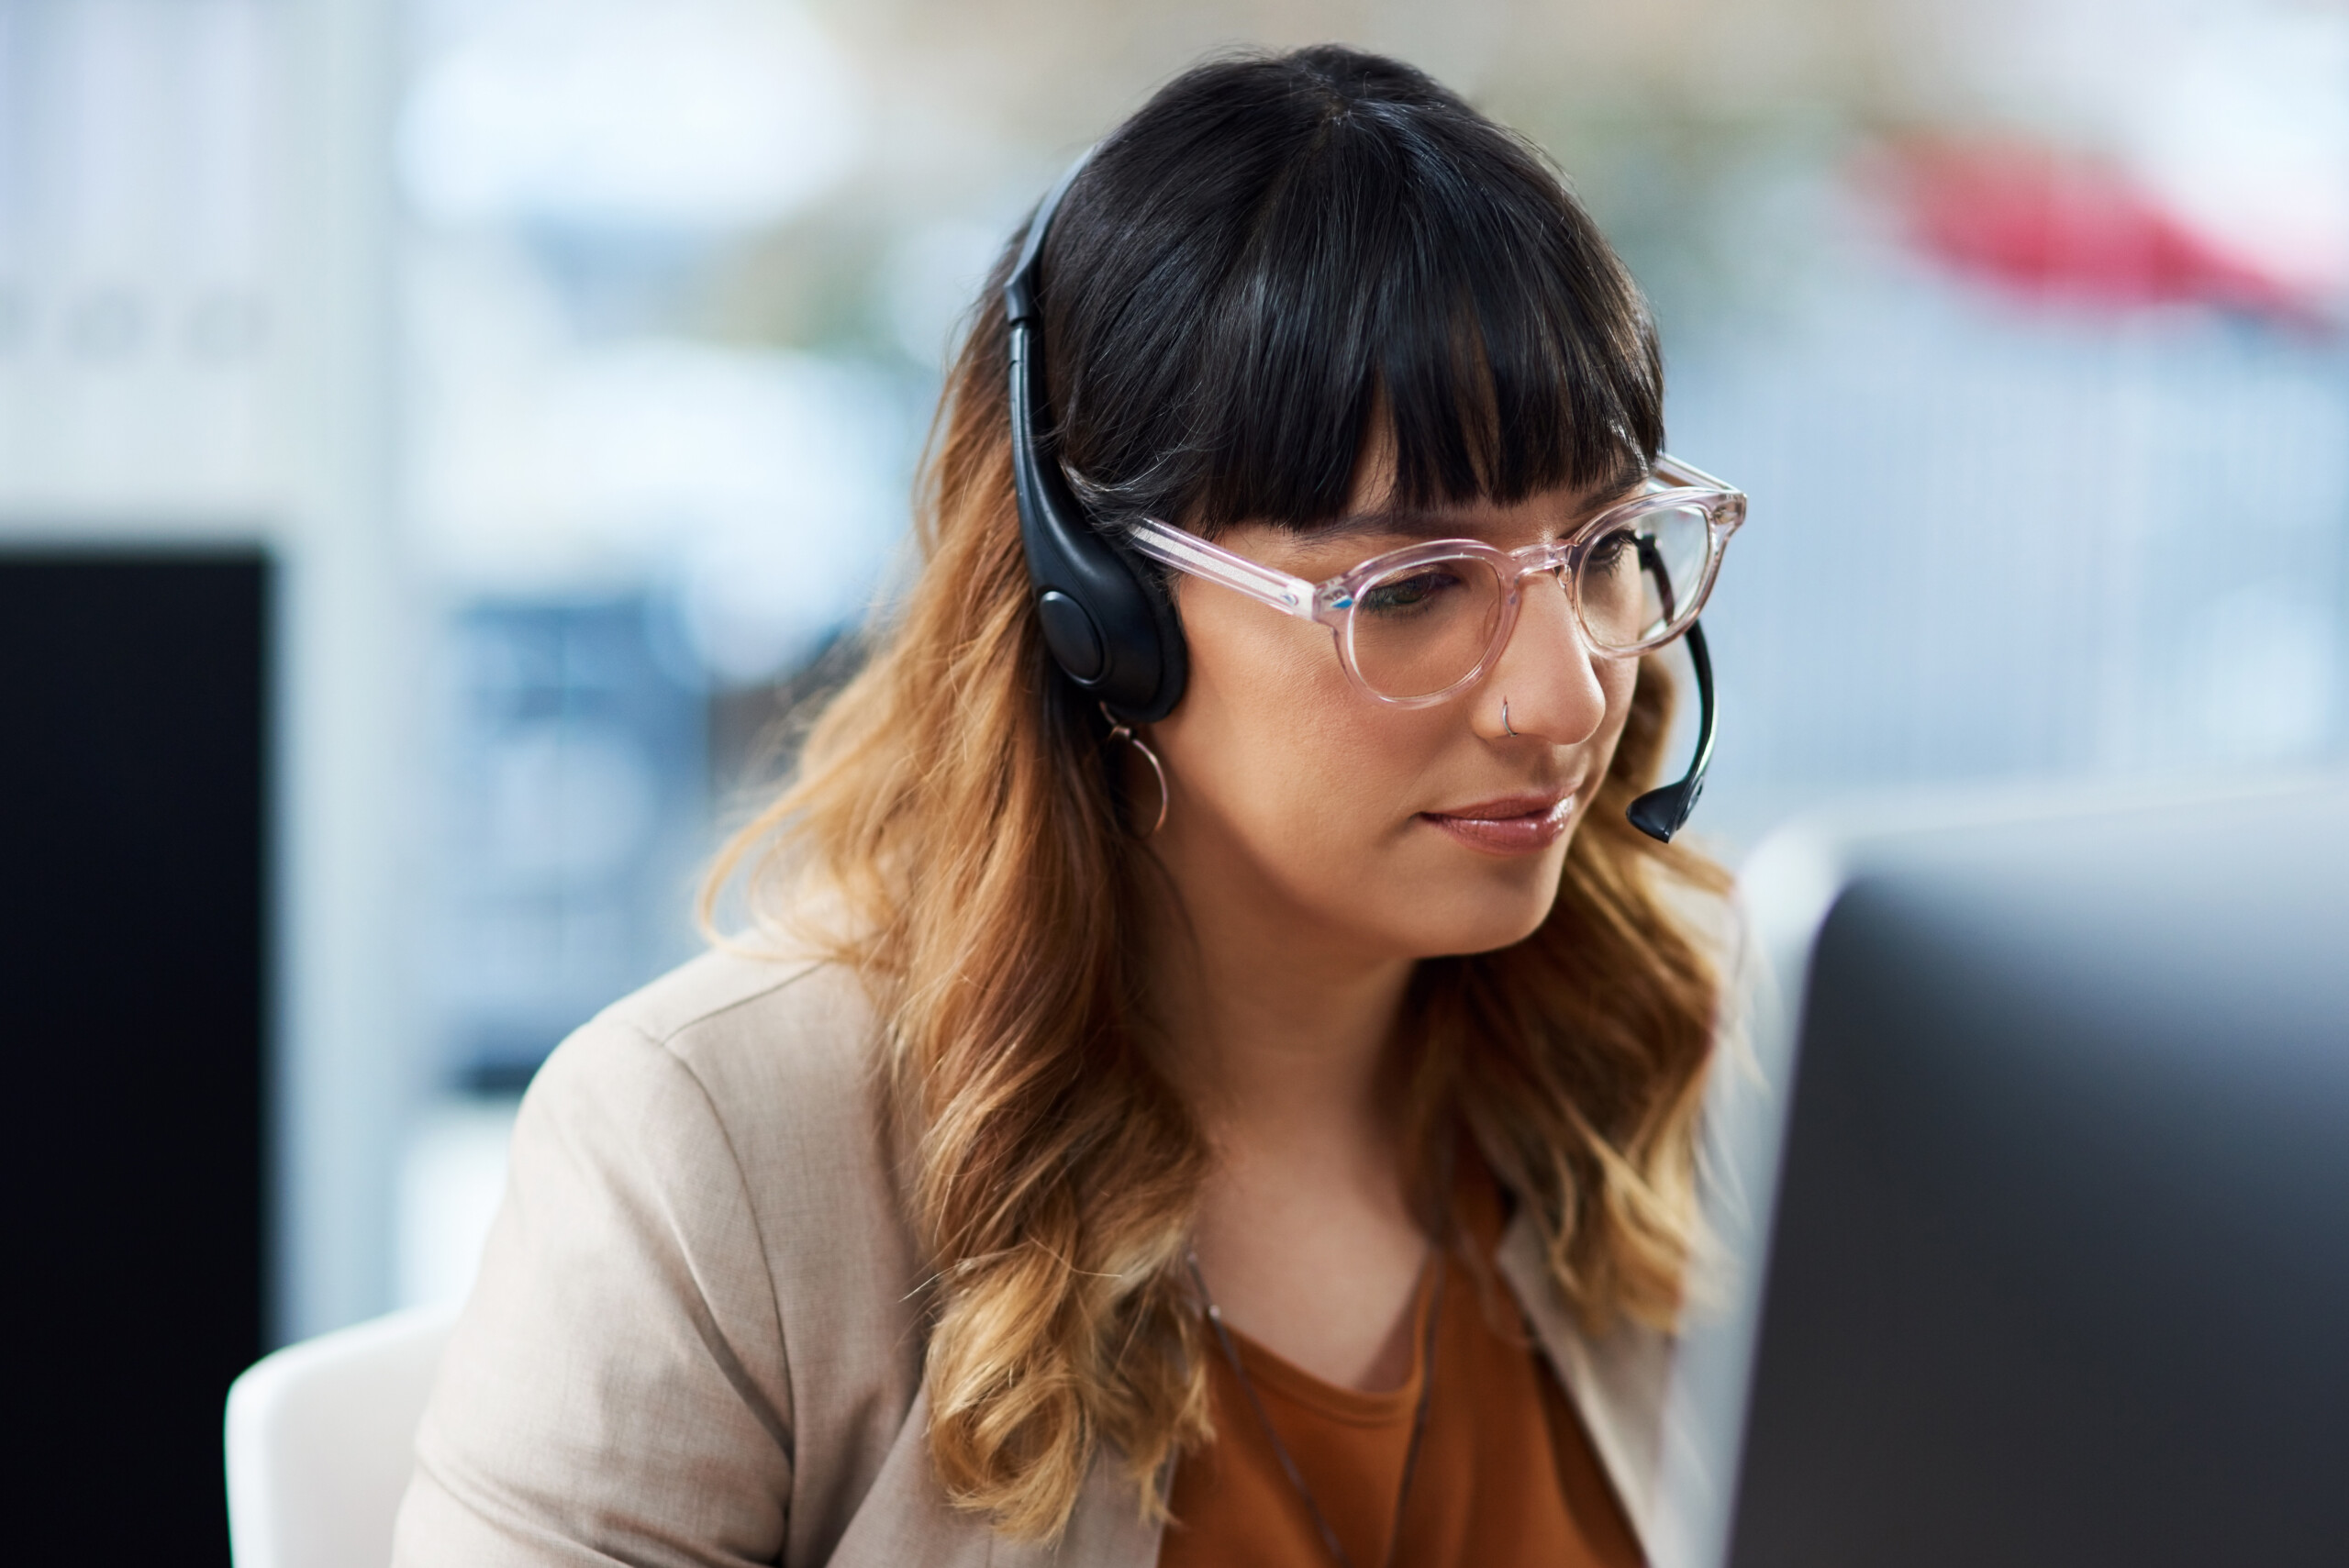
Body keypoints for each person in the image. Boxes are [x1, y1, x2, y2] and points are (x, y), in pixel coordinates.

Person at [394, 44, 1747, 1568]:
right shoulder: (708, 1154)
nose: (1567, 696)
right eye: (1417, 587)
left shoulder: (1699, 1058)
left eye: (1601, 547)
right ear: (1102, 608)